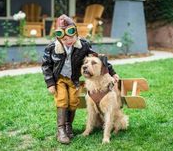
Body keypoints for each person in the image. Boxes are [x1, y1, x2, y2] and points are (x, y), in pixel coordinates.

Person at [41, 14, 119, 144]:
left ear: (76, 33)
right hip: (59, 79)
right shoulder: (52, 48)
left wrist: (112, 72)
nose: (68, 40)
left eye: (71, 37)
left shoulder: (83, 45)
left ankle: (68, 126)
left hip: (73, 79)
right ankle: (61, 130)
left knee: (73, 101)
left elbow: (98, 58)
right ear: (59, 38)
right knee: (62, 100)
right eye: (64, 39)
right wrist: (50, 83)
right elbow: (46, 65)